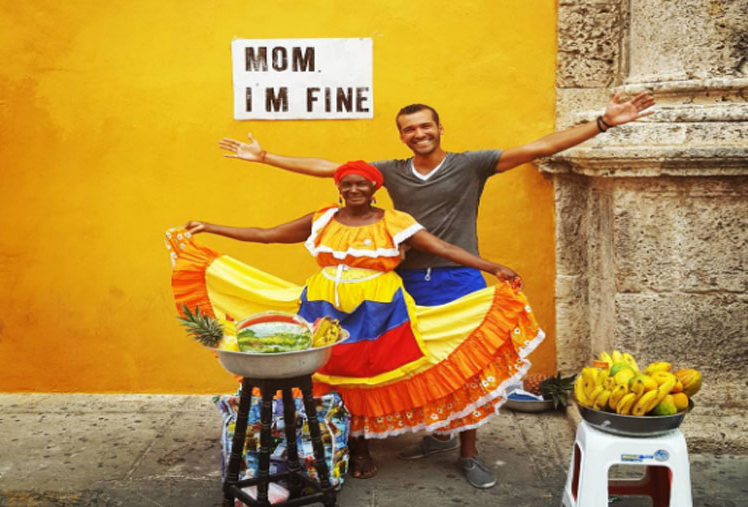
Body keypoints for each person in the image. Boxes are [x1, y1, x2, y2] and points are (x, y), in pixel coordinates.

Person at [214, 93, 656, 488]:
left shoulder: (471, 163)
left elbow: (539, 147)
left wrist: (603, 123)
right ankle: (430, 434)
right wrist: (266, 156)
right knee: (402, 361)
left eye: (426, 126)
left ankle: (468, 453)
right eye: (410, 129)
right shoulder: (389, 172)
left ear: (440, 128)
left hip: (456, 275)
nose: (419, 134)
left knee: (465, 363)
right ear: (402, 136)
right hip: (400, 282)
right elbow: (330, 169)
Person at [166, 161, 543, 483]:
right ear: (339, 188)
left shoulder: (395, 222)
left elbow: (442, 248)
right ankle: (356, 449)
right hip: (322, 305)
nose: (353, 188)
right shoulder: (322, 218)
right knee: (333, 373)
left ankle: (410, 446)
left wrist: (493, 266)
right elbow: (267, 235)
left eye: (361, 183)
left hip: (379, 309)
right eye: (346, 183)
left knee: (370, 372)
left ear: (374, 188)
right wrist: (213, 227)